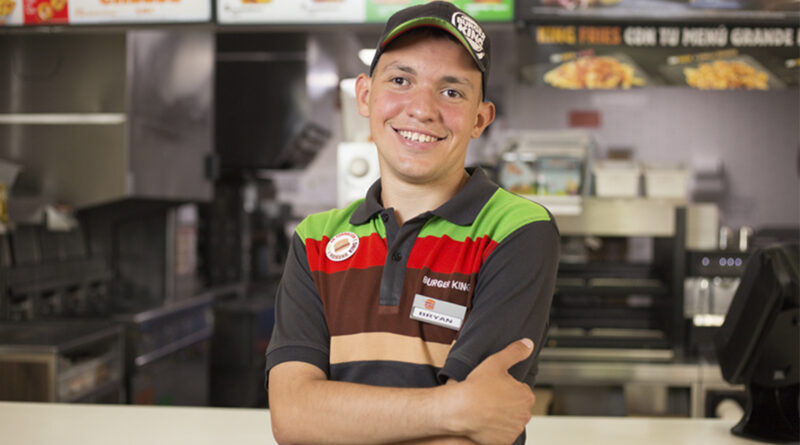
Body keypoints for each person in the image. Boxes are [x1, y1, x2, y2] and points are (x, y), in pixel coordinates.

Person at [265, 2, 559, 444]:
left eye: (452, 91)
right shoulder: (316, 239)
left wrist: (334, 417)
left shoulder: (516, 229)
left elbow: (475, 431)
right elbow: (292, 417)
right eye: (401, 80)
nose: (421, 109)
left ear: (480, 118)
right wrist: (450, 408)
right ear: (366, 95)